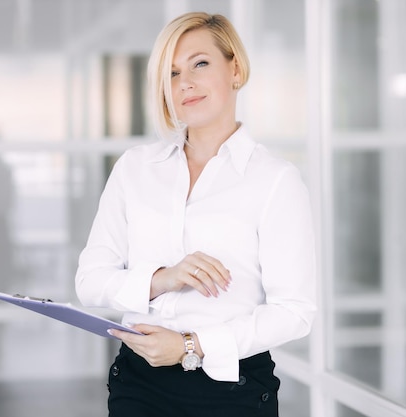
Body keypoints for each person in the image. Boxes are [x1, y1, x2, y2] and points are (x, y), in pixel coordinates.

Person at [75, 12, 316, 417]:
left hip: (230, 390)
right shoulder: (135, 168)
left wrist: (190, 345)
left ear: (235, 68)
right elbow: (90, 282)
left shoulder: (275, 180)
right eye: (171, 73)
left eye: (199, 63)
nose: (184, 82)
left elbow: (295, 312)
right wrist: (162, 278)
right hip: (138, 383)